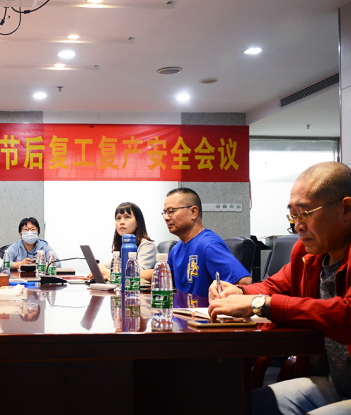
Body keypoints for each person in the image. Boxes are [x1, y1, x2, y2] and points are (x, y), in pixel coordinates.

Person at [209, 162, 351, 414]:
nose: (298, 226)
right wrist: (239, 293)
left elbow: (345, 314)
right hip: (335, 384)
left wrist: (261, 304)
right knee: (242, 405)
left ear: (346, 209)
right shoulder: (307, 254)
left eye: (305, 213)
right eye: (293, 216)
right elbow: (274, 286)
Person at [140, 187, 251, 297]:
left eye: (171, 211)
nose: (166, 218)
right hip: (183, 307)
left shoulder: (208, 245)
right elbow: (161, 273)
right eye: (164, 213)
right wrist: (133, 274)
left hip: (203, 308)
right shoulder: (176, 249)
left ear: (193, 212)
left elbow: (244, 282)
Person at [96, 202, 157, 280]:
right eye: (118, 218)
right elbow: (105, 267)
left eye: (127, 217)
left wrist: (108, 273)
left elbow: (137, 274)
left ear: (137, 223)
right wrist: (99, 269)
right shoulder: (123, 246)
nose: (121, 222)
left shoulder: (147, 246)